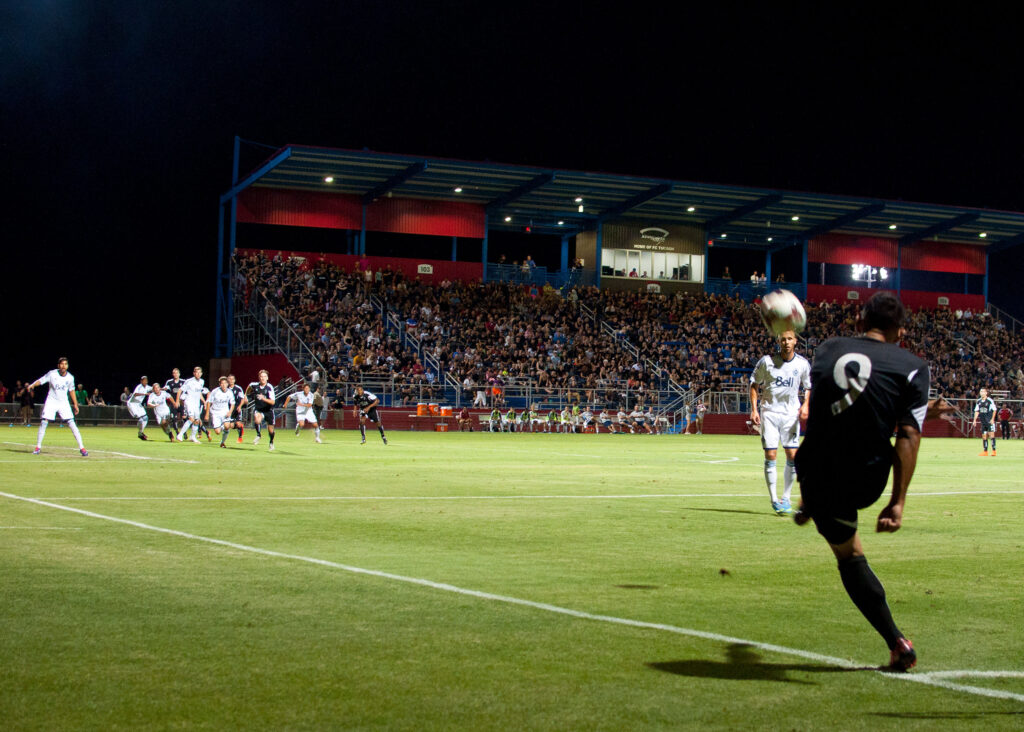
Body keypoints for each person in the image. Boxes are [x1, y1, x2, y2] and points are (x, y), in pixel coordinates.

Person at [793, 292, 953, 671]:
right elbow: (908, 436)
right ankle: (898, 644)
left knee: (848, 553)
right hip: (867, 475)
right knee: (847, 538)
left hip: (819, 471)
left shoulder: (828, 349)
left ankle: (897, 642)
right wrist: (897, 502)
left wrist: (809, 493)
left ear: (860, 320)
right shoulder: (913, 365)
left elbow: (827, 413)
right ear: (900, 330)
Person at [749, 330, 811, 515]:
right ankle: (774, 499)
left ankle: (786, 496)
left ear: (795, 342)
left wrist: (806, 404)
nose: (786, 342)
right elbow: (754, 384)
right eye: (783, 339)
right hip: (769, 412)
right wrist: (754, 409)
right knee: (771, 455)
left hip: (791, 415)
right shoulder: (766, 362)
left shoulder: (802, 364)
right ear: (778, 341)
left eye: (789, 339)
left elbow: (808, 386)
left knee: (792, 455)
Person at [26, 357, 87, 456]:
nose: (63, 366)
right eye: (62, 364)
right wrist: (33, 385)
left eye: (65, 364)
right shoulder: (52, 374)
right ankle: (38, 447)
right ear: (58, 365)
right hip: (52, 401)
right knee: (44, 422)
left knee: (72, 424)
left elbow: (71, 391)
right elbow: (41, 380)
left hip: (64, 403)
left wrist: (75, 404)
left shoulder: (70, 378)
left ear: (67, 366)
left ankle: (82, 448)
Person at [176, 366, 208, 443]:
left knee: (197, 421)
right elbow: (180, 390)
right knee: (191, 419)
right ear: (194, 373)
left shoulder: (202, 381)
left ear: (201, 373)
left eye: (199, 372)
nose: (198, 374)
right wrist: (177, 401)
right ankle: (180, 435)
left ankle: (192, 437)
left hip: (196, 404)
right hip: (189, 402)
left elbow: (199, 393)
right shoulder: (189, 381)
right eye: (196, 372)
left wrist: (203, 401)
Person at [205, 376, 237, 448]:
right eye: (222, 383)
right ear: (220, 384)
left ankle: (222, 442)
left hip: (225, 411)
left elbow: (232, 403)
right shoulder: (215, 391)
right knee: (218, 432)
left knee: (227, 426)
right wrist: (207, 414)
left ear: (227, 384)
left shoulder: (229, 392)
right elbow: (209, 402)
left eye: (225, 383)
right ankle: (221, 426)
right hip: (215, 412)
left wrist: (230, 412)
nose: (224, 385)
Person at [250, 369, 277, 450]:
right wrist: (245, 395)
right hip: (259, 409)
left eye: (264, 376)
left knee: (271, 431)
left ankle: (271, 442)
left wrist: (263, 399)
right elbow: (249, 387)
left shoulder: (269, 387)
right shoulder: (254, 385)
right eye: (261, 376)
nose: (263, 378)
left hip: (268, 410)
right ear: (259, 377)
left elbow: (272, 402)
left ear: (267, 378)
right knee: (257, 420)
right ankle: (258, 435)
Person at [970, 387, 998, 456]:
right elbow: (976, 411)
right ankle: (985, 451)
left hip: (989, 421)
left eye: (983, 391)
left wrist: (992, 419)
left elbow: (994, 410)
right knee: (984, 436)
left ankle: (994, 451)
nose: (982, 393)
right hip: (983, 422)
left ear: (986, 393)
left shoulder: (989, 401)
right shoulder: (979, 401)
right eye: (981, 391)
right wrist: (974, 420)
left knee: (991, 435)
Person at [126, 376, 153, 440]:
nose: (145, 381)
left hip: (138, 404)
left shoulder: (147, 387)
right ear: (141, 381)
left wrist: (162, 389)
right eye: (143, 380)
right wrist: (145, 394)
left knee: (145, 417)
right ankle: (140, 433)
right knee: (141, 419)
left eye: (146, 380)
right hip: (132, 403)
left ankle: (140, 433)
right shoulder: (139, 386)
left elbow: (154, 388)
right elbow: (135, 394)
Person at [227, 374, 248, 443]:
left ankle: (240, 437)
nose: (231, 380)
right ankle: (240, 427)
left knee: (238, 423)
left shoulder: (238, 388)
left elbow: (242, 399)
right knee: (231, 425)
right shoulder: (226, 389)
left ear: (234, 380)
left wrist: (240, 406)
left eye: (232, 379)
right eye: (229, 379)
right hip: (229, 409)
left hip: (237, 408)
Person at [165, 368, 186, 434]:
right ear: (172, 374)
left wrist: (182, 400)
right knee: (173, 418)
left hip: (181, 403)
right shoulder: (169, 382)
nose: (175, 374)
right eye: (174, 373)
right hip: (173, 403)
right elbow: (166, 391)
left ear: (179, 374)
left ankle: (184, 432)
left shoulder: (183, 382)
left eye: (177, 373)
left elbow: (186, 392)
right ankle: (177, 431)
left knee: (184, 418)